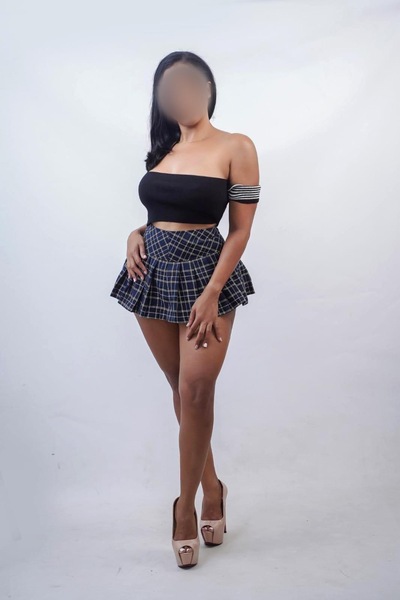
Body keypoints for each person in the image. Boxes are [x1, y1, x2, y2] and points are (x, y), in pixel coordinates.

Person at [110, 50, 261, 569]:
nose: (181, 95)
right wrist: (134, 233)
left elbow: (240, 230)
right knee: (180, 390)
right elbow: (161, 213)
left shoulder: (237, 146)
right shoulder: (163, 151)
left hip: (206, 275)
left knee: (197, 389)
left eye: (190, 84)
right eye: (169, 89)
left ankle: (185, 507)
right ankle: (213, 487)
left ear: (208, 88)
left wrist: (214, 290)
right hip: (151, 273)